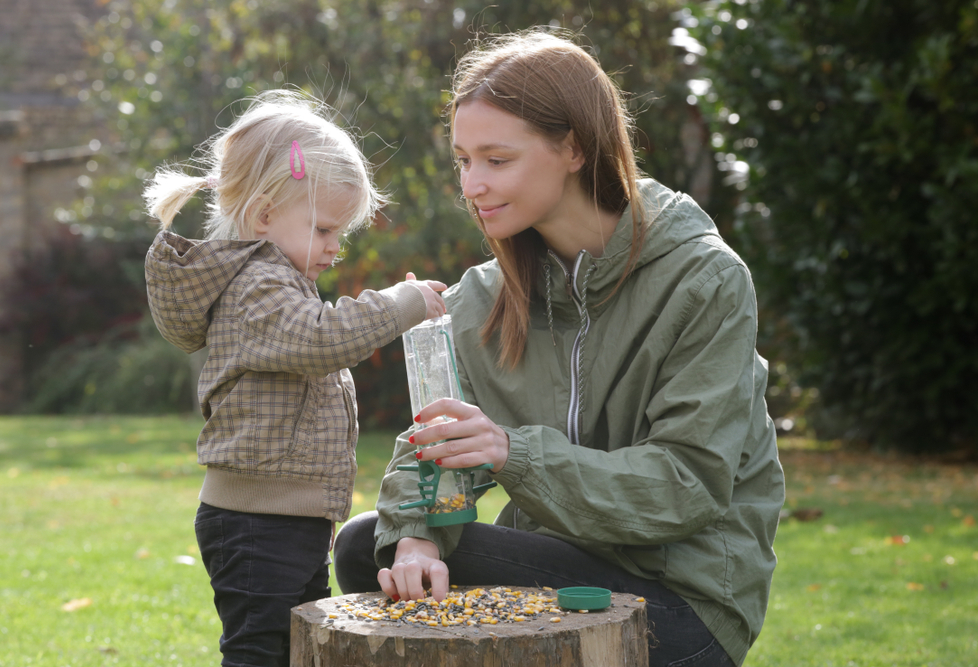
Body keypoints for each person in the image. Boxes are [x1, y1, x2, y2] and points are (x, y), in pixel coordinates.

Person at [333, 31, 785, 667]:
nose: (473, 185)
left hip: (680, 595)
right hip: (560, 568)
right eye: (463, 161)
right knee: (368, 548)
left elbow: (689, 484)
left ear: (573, 147)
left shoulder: (703, 280)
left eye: (497, 159)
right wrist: (415, 540)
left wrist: (515, 455)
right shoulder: (485, 296)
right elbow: (434, 443)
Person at [142, 90, 446, 667]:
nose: (335, 248)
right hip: (257, 521)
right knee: (265, 650)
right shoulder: (257, 287)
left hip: (288, 516)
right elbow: (321, 339)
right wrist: (398, 304)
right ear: (263, 215)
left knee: (304, 647)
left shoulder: (277, 281)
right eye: (326, 229)